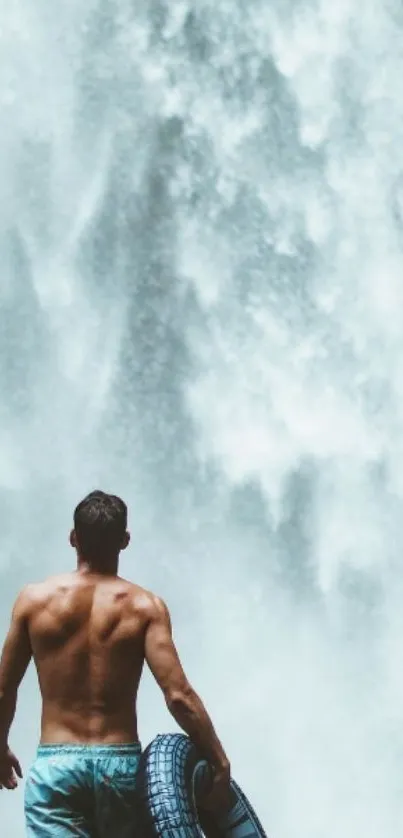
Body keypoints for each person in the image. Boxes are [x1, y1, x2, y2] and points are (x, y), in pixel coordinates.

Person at [0, 490, 231, 836]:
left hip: (58, 768)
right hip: (120, 769)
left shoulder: (33, 601)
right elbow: (178, 696)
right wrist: (218, 758)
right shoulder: (145, 607)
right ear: (125, 540)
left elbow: (4, 688)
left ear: (73, 538)